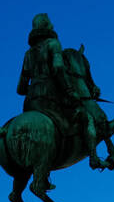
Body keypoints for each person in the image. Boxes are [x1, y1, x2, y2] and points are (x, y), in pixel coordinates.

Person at [16, 13, 99, 169]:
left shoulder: (28, 54)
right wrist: (69, 90)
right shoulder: (53, 44)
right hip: (50, 100)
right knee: (85, 117)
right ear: (47, 27)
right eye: (50, 24)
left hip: (30, 105)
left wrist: (35, 88)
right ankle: (93, 156)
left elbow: (20, 89)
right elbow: (58, 68)